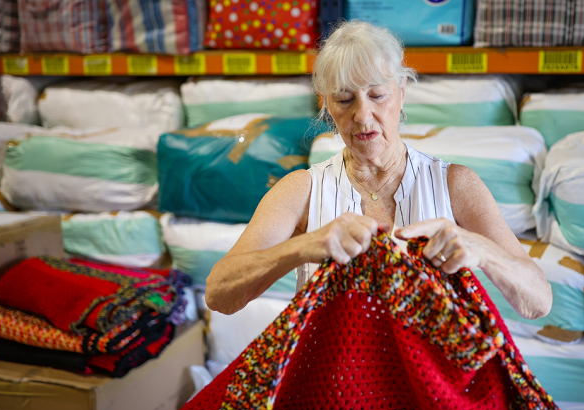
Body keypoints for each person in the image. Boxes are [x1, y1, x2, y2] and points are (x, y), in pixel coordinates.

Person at [205, 21, 552, 320]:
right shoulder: (302, 189)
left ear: (402, 93)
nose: (362, 114)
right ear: (326, 105)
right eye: (344, 99)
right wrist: (305, 246)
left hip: (428, 383)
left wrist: (482, 250)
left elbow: (538, 302)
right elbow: (219, 294)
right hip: (336, 381)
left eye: (377, 95)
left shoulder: (456, 185)